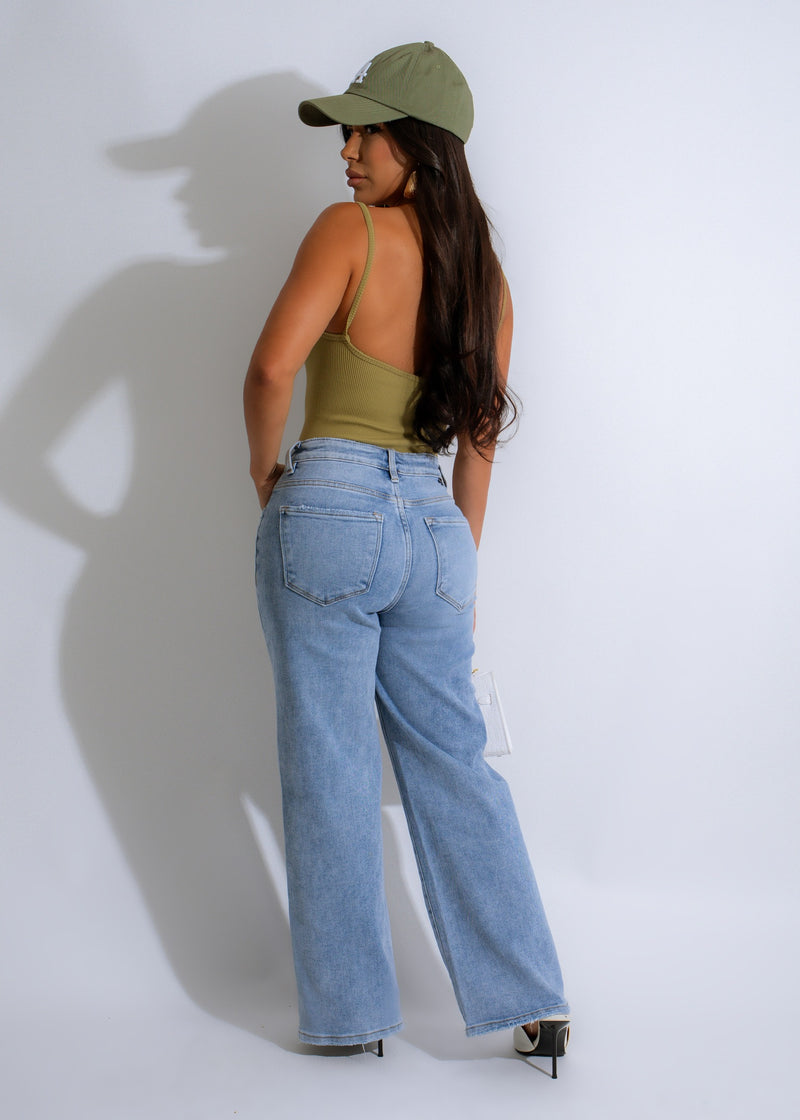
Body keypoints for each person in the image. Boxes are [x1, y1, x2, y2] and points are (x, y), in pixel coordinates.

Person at [244, 41, 570, 1071]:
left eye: (366, 131)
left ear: (418, 148)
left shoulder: (351, 234)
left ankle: (350, 1018)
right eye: (346, 132)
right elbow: (476, 439)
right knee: (455, 766)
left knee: (330, 768)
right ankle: (531, 998)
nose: (347, 151)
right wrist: (458, 566)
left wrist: (267, 478)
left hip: (330, 506)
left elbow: (268, 368)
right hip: (435, 529)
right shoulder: (487, 281)